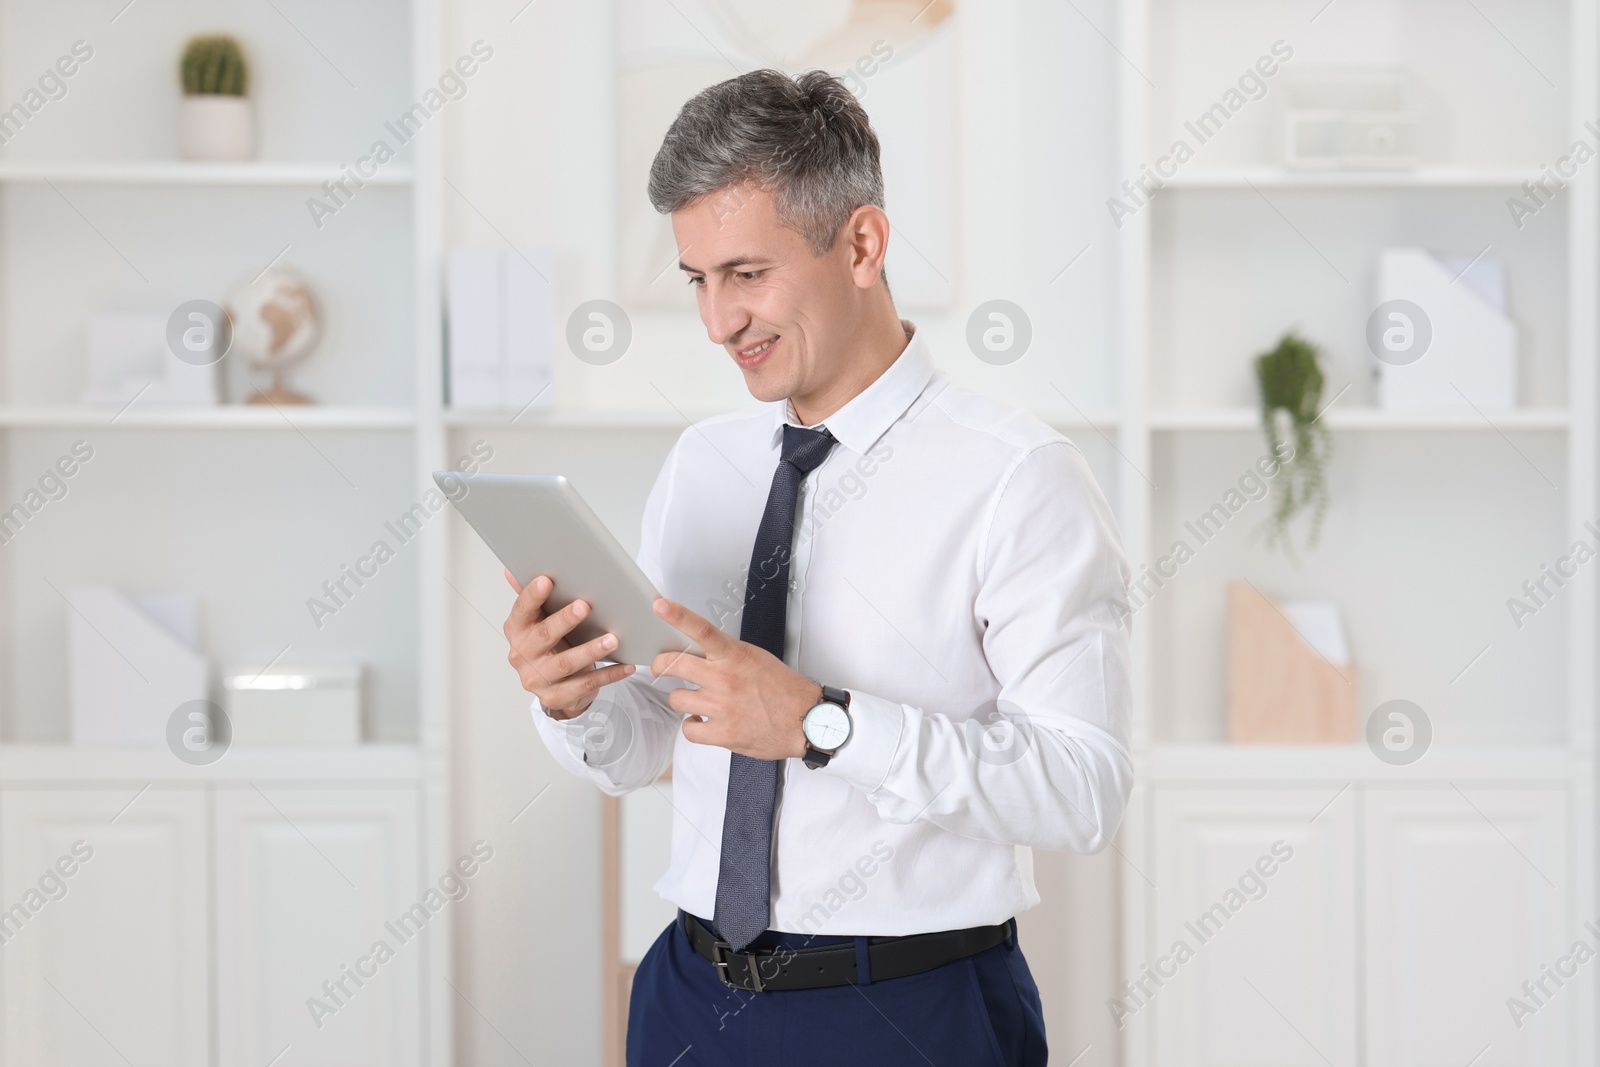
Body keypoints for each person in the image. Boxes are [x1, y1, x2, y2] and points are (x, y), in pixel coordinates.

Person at [501, 68, 1133, 1067]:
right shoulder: (704, 464)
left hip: (909, 1009)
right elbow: (648, 745)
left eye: (746, 273)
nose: (717, 322)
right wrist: (572, 701)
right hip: (686, 997)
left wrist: (819, 722)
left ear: (862, 244)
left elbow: (1082, 787)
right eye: (697, 279)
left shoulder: (1017, 476)